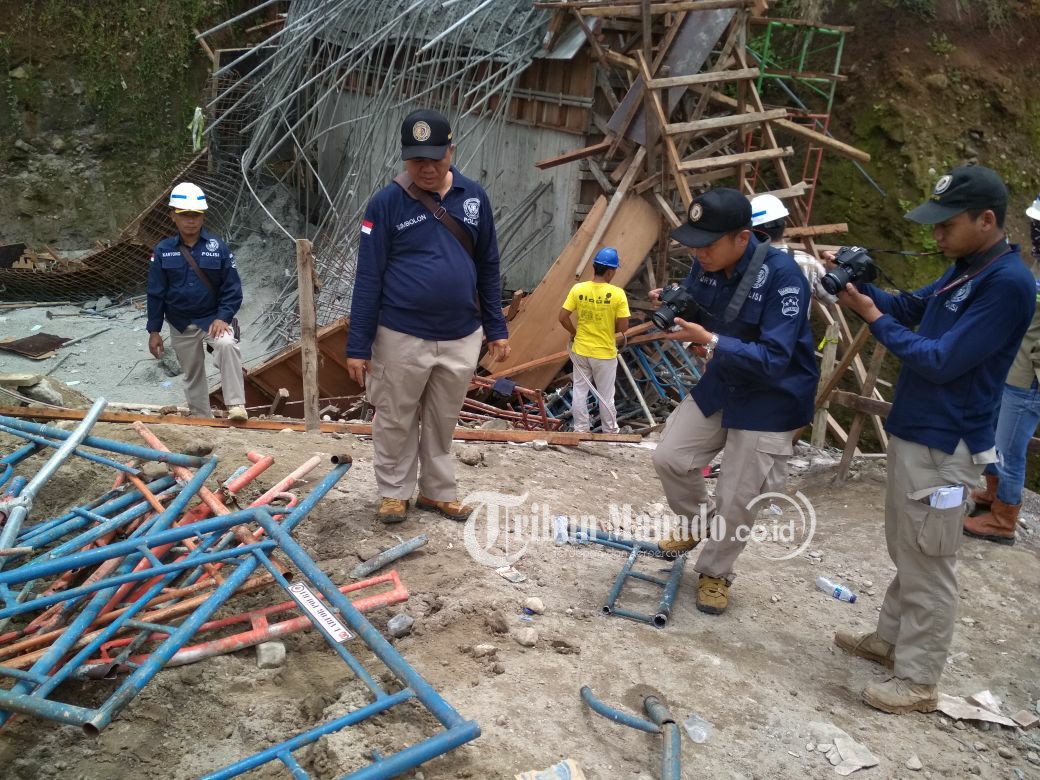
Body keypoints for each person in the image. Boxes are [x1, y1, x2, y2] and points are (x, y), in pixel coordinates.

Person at [830, 165, 1035, 715]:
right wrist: (862, 290)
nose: (936, 235)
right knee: (909, 545)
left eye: (946, 224)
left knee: (931, 558)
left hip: (949, 441)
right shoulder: (966, 268)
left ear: (986, 219)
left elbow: (941, 360)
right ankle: (892, 641)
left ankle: (919, 680)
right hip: (919, 428)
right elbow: (914, 309)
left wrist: (871, 317)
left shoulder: (1008, 284)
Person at [650, 188, 819, 616]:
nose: (698, 252)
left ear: (742, 238)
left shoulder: (784, 278)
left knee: (738, 497)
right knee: (671, 456)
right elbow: (700, 310)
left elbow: (776, 358)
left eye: (707, 244)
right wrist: (676, 307)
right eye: (694, 243)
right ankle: (698, 523)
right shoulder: (704, 266)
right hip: (725, 381)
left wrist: (708, 340)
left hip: (771, 398)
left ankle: (715, 572)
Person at [346, 109, 510, 524]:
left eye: (435, 158)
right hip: (401, 333)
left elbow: (489, 266)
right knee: (396, 417)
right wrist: (357, 346)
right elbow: (368, 278)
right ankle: (393, 493)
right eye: (417, 159)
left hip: (461, 335)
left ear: (451, 151)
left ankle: (437, 492)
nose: (426, 168)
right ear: (405, 157)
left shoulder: (474, 198)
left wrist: (497, 328)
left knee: (442, 419)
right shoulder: (385, 204)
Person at [964, 193, 1040, 544]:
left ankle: (1004, 518)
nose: (1034, 232)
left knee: (1010, 448)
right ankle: (994, 494)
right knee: (994, 439)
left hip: (1029, 382)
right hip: (1012, 370)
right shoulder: (1035, 267)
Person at [146, 182, 247, 421]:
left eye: (196, 215)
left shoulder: (217, 248)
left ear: (203, 216)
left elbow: (232, 288)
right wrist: (154, 330)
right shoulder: (163, 251)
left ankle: (236, 406)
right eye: (185, 215)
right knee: (192, 372)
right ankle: (202, 417)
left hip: (213, 319)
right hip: (180, 322)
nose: (191, 220)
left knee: (226, 345)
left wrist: (223, 317)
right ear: (173, 216)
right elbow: (155, 292)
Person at [558, 247, 631, 434]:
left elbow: (562, 317)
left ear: (594, 267)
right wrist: (608, 326)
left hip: (581, 350)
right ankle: (610, 431)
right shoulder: (617, 294)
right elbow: (623, 327)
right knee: (606, 395)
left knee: (580, 392)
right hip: (604, 354)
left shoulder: (578, 289)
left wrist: (574, 332)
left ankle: (581, 429)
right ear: (610, 271)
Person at [749, 193, 827, 297]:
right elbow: (835, 298)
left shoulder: (739, 260)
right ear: (785, 225)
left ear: (751, 230)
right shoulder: (808, 263)